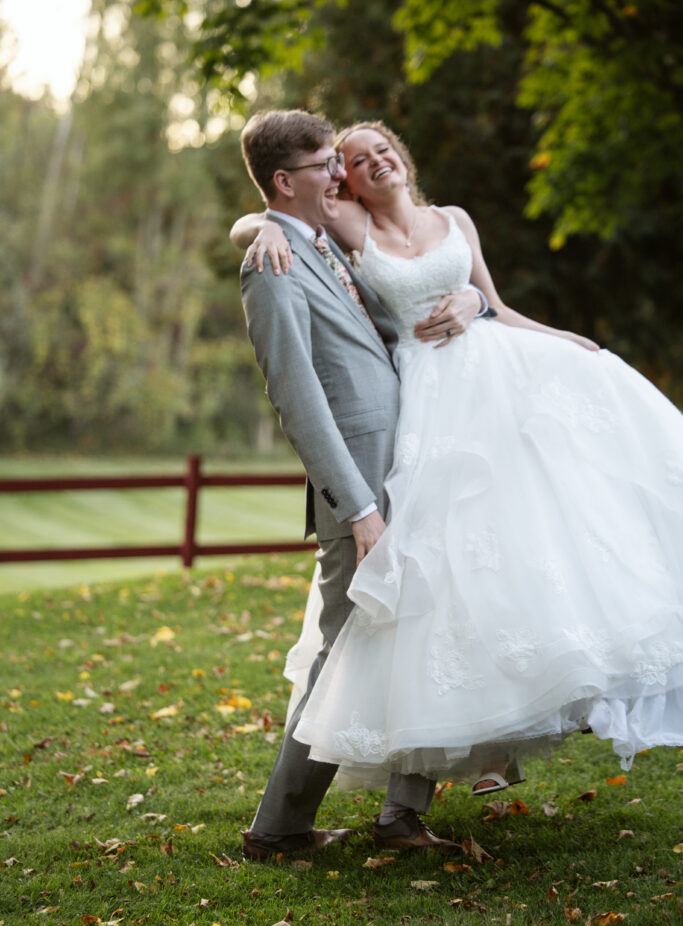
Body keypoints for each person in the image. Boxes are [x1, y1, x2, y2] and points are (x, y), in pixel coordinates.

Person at [236, 119, 683, 800]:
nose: (367, 163)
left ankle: (498, 740)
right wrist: (258, 229)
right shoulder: (342, 222)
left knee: (521, 546)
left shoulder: (453, 218)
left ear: (402, 157)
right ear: (342, 182)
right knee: (442, 574)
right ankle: (409, 779)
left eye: (380, 150)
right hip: (427, 403)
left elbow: (496, 307)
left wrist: (539, 328)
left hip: (492, 385)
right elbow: (272, 217)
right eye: (350, 161)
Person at [236, 110, 492, 860]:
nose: (340, 176)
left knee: (422, 628)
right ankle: (278, 829)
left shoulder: (318, 243)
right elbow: (297, 397)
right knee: (342, 647)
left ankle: (402, 814)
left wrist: (472, 301)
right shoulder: (270, 263)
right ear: (286, 182)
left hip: (409, 462)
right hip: (362, 489)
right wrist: (359, 509)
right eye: (325, 166)